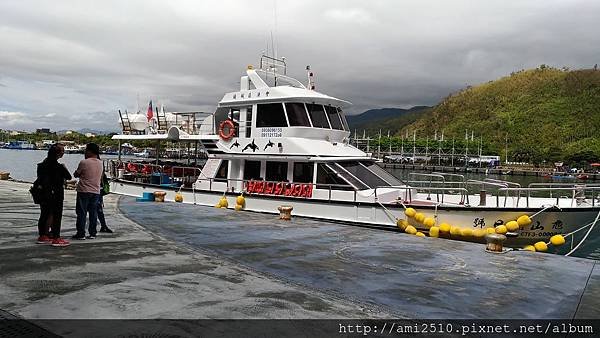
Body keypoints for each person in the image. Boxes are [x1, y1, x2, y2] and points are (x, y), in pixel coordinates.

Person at [36, 143, 72, 247]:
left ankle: (42, 236)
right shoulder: (58, 166)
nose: (63, 153)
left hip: (43, 193)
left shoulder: (42, 165)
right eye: (62, 151)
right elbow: (68, 177)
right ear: (58, 153)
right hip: (56, 194)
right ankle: (56, 238)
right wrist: (64, 167)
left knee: (44, 214)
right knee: (57, 216)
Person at [72, 143, 103, 240]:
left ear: (89, 151)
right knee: (93, 213)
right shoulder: (100, 163)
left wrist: (77, 173)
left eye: (86, 150)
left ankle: (81, 233)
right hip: (96, 191)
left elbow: (76, 174)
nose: (85, 152)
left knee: (82, 212)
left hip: (84, 190)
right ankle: (92, 233)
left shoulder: (84, 162)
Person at [96, 154, 113, 233]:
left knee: (96, 209)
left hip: (96, 189)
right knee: (98, 209)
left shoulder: (98, 163)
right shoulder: (100, 163)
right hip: (99, 189)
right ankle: (103, 226)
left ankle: (101, 226)